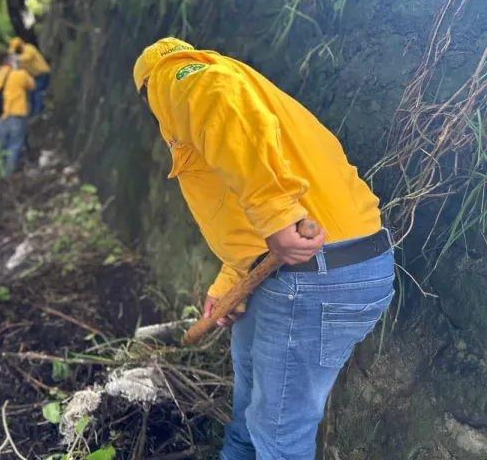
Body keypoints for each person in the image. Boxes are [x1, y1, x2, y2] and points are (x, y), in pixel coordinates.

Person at [133, 37, 394, 460]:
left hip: (315, 275)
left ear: (146, 89)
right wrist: (227, 284)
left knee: (278, 436)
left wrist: (276, 214)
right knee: (251, 405)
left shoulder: (175, 75)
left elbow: (217, 98)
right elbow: (238, 210)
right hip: (297, 274)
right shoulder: (236, 113)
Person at [0, 52, 35, 176]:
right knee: (14, 145)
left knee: (0, 145)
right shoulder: (20, 75)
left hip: (1, 116)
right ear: (10, 62)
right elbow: (32, 85)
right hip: (17, 115)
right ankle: (7, 175)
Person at [8, 37, 51, 116]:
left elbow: (27, 57)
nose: (16, 52)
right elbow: (20, 67)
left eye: (16, 50)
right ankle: (35, 111)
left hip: (42, 73)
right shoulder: (21, 56)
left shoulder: (29, 48)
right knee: (33, 94)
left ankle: (37, 113)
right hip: (35, 75)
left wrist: (15, 58)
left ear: (20, 46)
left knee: (37, 93)